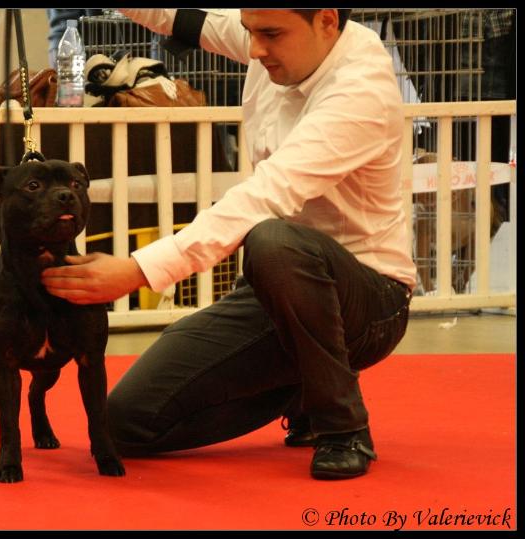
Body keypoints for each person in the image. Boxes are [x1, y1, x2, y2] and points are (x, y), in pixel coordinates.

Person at [42, 9, 416, 480]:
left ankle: (341, 425)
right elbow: (177, 16)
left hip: (370, 303)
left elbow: (263, 197)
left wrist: (137, 271)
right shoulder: (282, 37)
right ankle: (303, 384)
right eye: (250, 32)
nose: (254, 50)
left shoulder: (359, 91)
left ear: (326, 21)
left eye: (270, 35)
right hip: (275, 289)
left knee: (272, 238)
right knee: (121, 427)